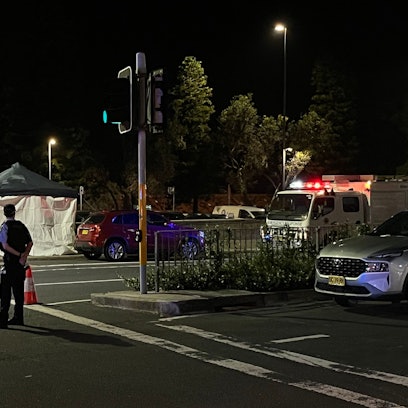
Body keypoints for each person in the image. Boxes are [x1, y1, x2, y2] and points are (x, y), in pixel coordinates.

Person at [0, 204, 33, 329]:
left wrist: (18, 254)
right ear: (14, 212)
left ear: (5, 213)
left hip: (10, 262)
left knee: (5, 293)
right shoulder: (21, 225)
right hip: (20, 264)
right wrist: (24, 255)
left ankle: (3, 320)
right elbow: (30, 242)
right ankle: (19, 317)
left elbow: (4, 245)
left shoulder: (5, 226)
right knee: (19, 293)